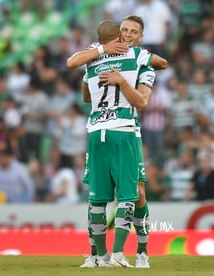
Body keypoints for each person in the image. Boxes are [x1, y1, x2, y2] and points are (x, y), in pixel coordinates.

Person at [70, 16, 167, 268]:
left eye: (134, 31)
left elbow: (158, 68)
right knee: (116, 195)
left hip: (126, 130)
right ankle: (101, 255)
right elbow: (83, 88)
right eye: (124, 30)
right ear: (117, 33)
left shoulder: (140, 59)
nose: (128, 34)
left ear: (140, 36)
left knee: (138, 195)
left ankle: (142, 251)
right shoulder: (102, 55)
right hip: (115, 130)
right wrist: (104, 54)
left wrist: (124, 71)